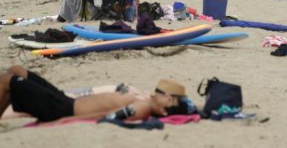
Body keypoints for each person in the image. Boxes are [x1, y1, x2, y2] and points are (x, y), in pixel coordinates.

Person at [0, 65, 185, 123]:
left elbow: (106, 117)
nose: (166, 95)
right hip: (64, 100)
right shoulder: (143, 100)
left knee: (6, 80)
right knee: (17, 71)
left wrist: (65, 121)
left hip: (62, 109)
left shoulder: (142, 107)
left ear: (163, 112)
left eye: (168, 99)